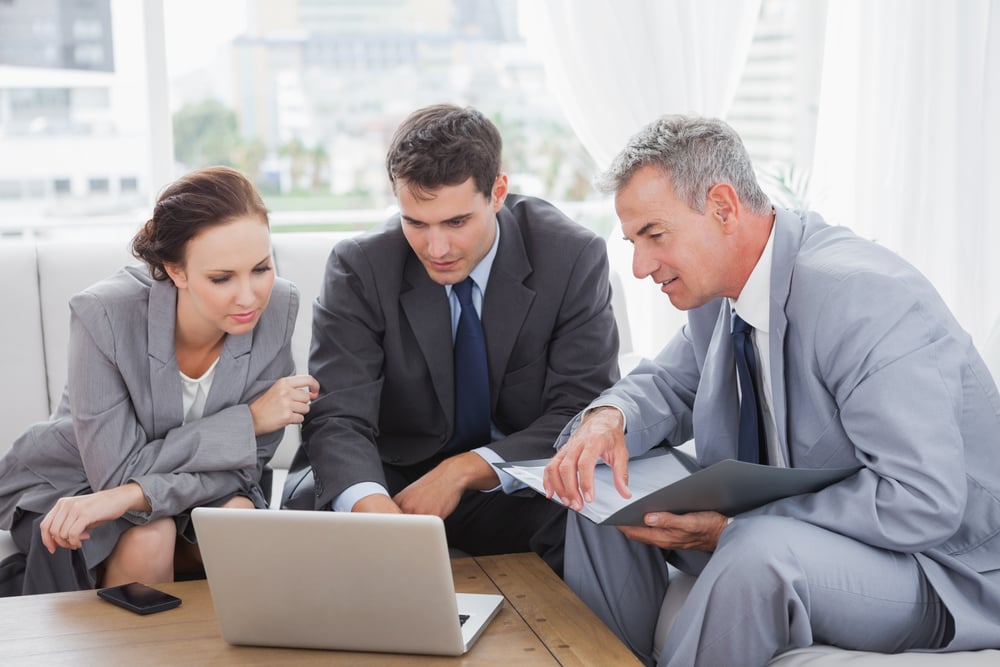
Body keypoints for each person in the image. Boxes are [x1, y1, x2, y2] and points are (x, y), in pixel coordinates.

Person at [542, 116, 1000, 665]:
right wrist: (606, 419)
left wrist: (738, 526)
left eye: (654, 235)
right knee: (594, 483)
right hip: (809, 532)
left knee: (758, 553)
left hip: (936, 567)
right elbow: (667, 382)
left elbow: (924, 501)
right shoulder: (721, 290)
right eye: (633, 241)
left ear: (723, 207)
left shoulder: (859, 297)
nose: (640, 267)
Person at [283, 104, 620, 573]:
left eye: (456, 222)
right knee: (309, 512)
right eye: (416, 223)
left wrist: (463, 471)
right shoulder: (360, 266)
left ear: (498, 192)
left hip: (508, 477)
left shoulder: (571, 256)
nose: (435, 249)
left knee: (590, 520)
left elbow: (578, 409)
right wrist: (372, 508)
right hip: (392, 474)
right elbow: (339, 413)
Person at [0, 166, 319, 595]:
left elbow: (240, 472)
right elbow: (116, 474)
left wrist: (130, 496)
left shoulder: (278, 307)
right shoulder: (105, 314)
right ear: (176, 271)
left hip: (169, 491)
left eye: (260, 268)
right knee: (151, 537)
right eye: (222, 278)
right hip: (77, 488)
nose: (249, 296)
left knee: (238, 524)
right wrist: (246, 423)